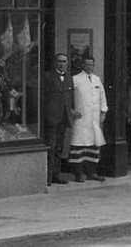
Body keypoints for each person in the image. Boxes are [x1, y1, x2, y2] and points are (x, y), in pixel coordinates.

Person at [68, 57, 108, 182]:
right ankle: (78, 174)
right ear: (83, 65)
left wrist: (103, 111)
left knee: (93, 146)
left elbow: (102, 96)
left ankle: (92, 172)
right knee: (78, 146)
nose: (90, 66)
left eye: (92, 64)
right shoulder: (75, 79)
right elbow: (68, 97)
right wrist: (71, 110)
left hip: (94, 119)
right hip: (80, 118)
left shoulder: (97, 79)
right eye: (87, 64)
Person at [42, 53, 74, 185]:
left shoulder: (68, 77)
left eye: (64, 61)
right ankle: (47, 178)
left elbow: (69, 97)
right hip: (52, 118)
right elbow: (43, 97)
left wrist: (71, 111)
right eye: (60, 61)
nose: (62, 64)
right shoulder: (48, 76)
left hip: (64, 117)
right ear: (55, 62)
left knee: (60, 148)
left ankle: (56, 174)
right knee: (51, 146)